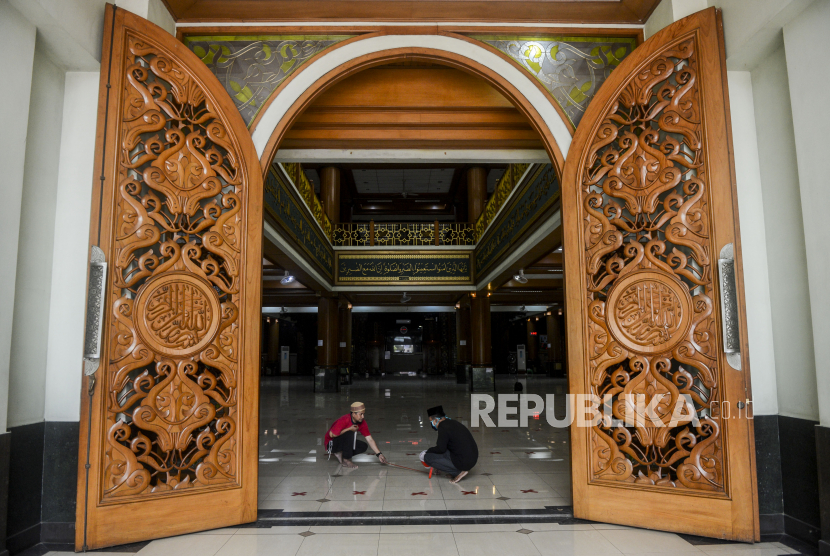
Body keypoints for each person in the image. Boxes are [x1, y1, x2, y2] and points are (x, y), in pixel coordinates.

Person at [421, 405, 478, 483]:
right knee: (440, 452)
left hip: (464, 461)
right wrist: (438, 465)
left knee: (427, 457)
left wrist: (428, 451)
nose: (432, 423)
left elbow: (441, 449)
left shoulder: (442, 427)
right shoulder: (452, 422)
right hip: (472, 458)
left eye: (431, 421)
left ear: (435, 420)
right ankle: (456, 470)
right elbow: (446, 446)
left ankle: (458, 472)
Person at [325, 401, 389, 468]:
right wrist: (349, 429)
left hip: (342, 442)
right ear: (353, 414)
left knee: (363, 446)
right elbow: (332, 435)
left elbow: (369, 439)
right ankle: (346, 459)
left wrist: (379, 454)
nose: (363, 416)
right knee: (349, 433)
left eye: (363, 414)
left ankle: (341, 454)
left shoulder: (362, 423)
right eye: (360, 414)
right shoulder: (344, 420)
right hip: (331, 445)